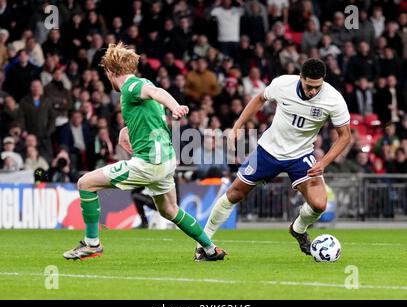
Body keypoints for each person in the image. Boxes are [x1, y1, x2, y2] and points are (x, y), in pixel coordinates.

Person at [63, 42, 226, 261]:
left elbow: (156, 92)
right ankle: (210, 248)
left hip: (148, 163)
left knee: (85, 183)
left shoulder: (130, 87)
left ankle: (92, 244)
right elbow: (148, 110)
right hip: (166, 161)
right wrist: (126, 129)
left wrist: (175, 106)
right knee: (170, 210)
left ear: (111, 72)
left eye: (106, 73)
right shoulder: (141, 83)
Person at [195, 59, 351, 260]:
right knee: (234, 193)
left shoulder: (333, 99)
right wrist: (237, 127)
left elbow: (345, 135)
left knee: (319, 204)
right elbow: (259, 98)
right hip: (268, 151)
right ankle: (204, 244)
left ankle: (298, 229)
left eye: (317, 87)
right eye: (309, 86)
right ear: (300, 78)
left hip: (301, 155)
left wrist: (323, 162)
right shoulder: (283, 84)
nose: (313, 91)